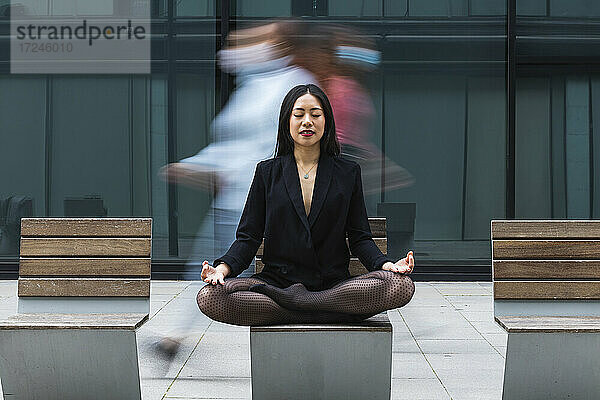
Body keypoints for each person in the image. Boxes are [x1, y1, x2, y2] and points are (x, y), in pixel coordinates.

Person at [196, 84, 415, 326]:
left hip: (332, 286)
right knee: (211, 297)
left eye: (315, 114)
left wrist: (387, 265)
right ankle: (321, 312)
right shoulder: (267, 172)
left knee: (400, 285)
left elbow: (360, 238)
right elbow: (248, 238)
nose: (307, 121)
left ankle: (297, 309)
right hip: (278, 285)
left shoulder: (347, 172)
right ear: (287, 121)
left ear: (327, 121)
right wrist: (222, 270)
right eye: (299, 114)